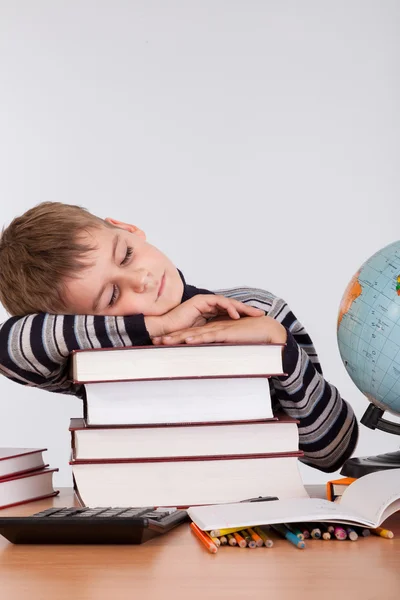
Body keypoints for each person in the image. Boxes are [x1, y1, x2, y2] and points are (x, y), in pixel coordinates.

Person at [0, 202, 358, 472]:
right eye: (111, 297)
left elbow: (332, 452)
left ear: (126, 228)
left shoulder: (255, 308)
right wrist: (160, 326)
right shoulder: (90, 355)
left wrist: (281, 346)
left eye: (125, 255)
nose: (140, 280)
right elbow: (10, 349)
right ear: (81, 324)